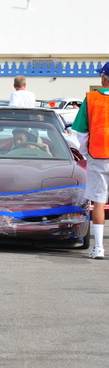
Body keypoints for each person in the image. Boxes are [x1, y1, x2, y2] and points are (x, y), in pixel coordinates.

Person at [71, 61, 109, 259]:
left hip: (98, 156)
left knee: (99, 201)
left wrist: (87, 153)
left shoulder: (92, 99)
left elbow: (82, 133)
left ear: (104, 79)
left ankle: (99, 248)